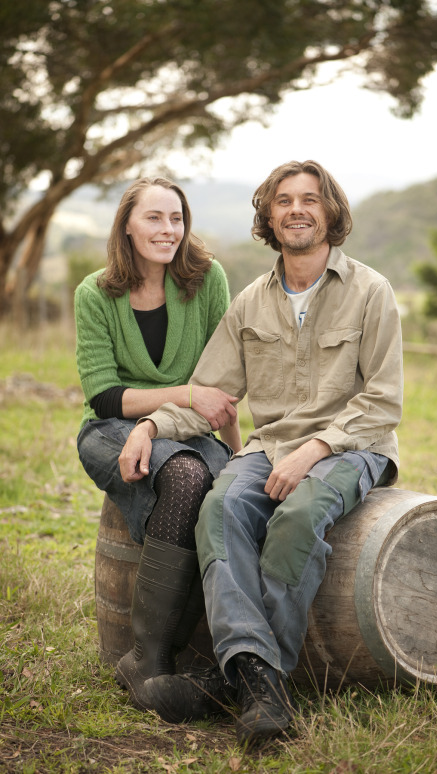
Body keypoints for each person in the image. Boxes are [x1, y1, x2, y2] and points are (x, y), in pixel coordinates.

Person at [118, 160, 404, 746]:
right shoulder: (250, 301)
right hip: (269, 446)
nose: (297, 209)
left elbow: (383, 401)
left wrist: (317, 448)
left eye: (310, 199)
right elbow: (212, 397)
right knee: (220, 509)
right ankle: (257, 679)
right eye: (284, 201)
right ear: (268, 216)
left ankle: (235, 683)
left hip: (353, 446)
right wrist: (150, 424)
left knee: (298, 516)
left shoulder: (372, 292)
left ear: (330, 212)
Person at [74, 176, 242, 713]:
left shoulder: (208, 278)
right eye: (154, 218)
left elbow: (223, 382)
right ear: (127, 223)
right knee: (186, 476)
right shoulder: (94, 293)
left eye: (177, 218)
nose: (168, 230)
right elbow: (104, 397)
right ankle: (148, 657)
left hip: (187, 428)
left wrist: (229, 443)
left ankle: (196, 653)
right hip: (108, 432)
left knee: (215, 485)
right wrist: (189, 392)